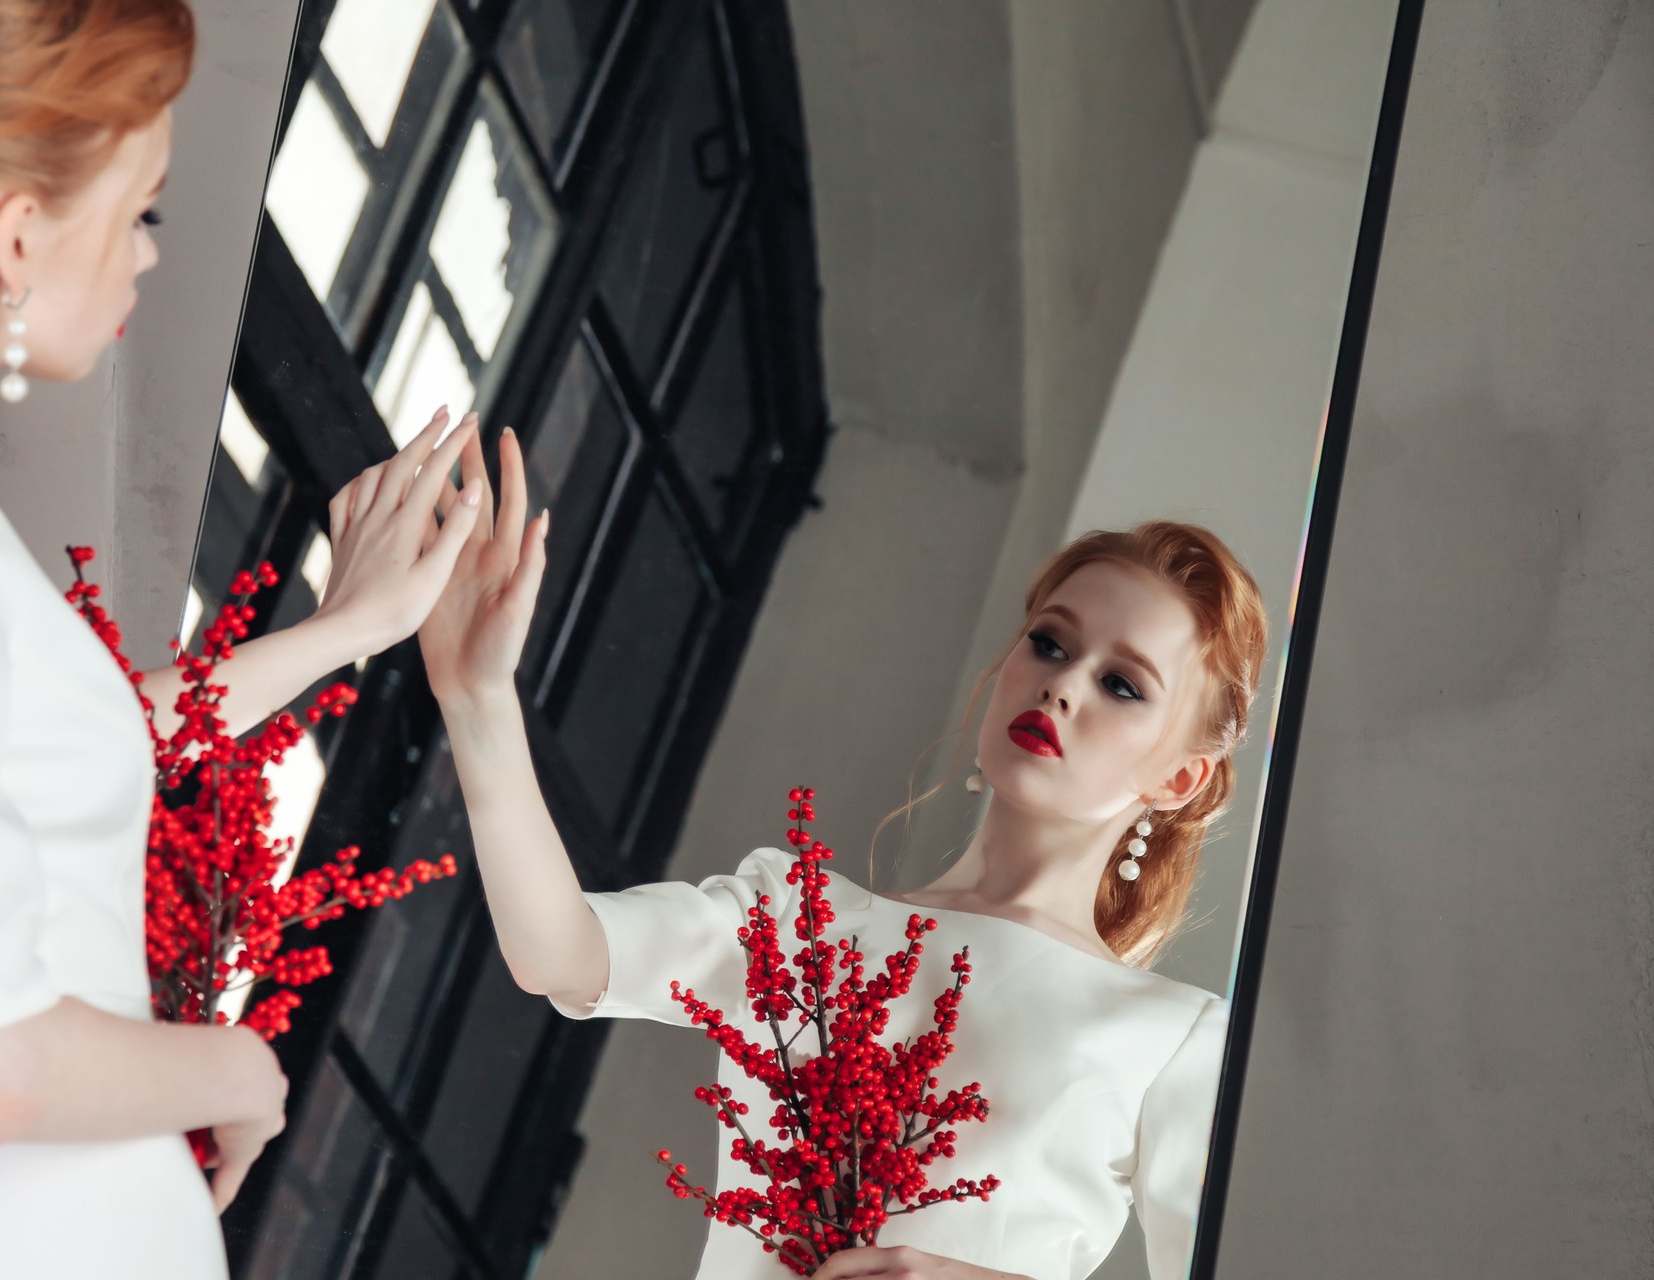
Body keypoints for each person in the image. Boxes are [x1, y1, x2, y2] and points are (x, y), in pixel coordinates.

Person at [0, 3, 484, 1276]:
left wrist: (342, 630)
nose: (148, 258)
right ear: (19, 233)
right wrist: (243, 1065)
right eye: (142, 210)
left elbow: (28, 751)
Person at [417, 428, 1268, 1280]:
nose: (1064, 684)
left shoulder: (1171, 1039)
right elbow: (561, 954)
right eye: (1050, 642)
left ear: (1180, 779)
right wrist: (477, 695)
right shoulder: (794, 917)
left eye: (1123, 685)